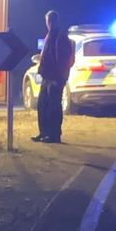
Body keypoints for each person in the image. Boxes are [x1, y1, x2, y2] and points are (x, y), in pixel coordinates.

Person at [33, 10, 76, 143]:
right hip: (47, 77)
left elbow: (62, 59)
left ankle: (54, 135)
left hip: (55, 78)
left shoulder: (59, 37)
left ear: (52, 21)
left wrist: (59, 77)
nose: (48, 23)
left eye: (50, 20)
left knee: (53, 107)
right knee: (43, 105)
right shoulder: (50, 35)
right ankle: (44, 133)